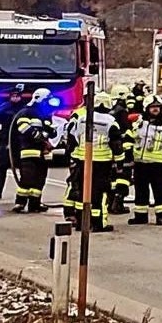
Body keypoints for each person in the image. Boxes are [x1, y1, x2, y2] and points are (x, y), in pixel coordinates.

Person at [66, 92, 122, 232]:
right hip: (102, 162)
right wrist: (120, 163)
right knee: (100, 194)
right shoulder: (110, 121)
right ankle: (98, 224)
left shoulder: (82, 118)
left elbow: (72, 137)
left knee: (82, 192)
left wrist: (72, 155)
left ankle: (81, 222)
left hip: (82, 159)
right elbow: (116, 144)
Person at [124, 95, 162, 225]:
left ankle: (161, 216)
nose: (156, 109)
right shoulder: (139, 122)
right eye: (153, 107)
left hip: (159, 163)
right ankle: (141, 216)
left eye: (158, 107)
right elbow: (129, 136)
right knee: (141, 191)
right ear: (147, 108)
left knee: (160, 191)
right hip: (141, 163)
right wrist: (128, 152)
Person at [12, 88, 56, 213]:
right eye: (46, 101)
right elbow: (23, 128)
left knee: (40, 180)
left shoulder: (45, 114)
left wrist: (51, 133)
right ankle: (20, 203)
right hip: (28, 152)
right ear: (39, 99)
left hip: (43, 154)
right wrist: (39, 135)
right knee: (27, 178)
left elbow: (50, 130)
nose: (48, 103)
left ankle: (34, 204)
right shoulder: (26, 112)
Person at [0, 86, 25, 200]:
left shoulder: (23, 110)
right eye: (13, 95)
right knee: (2, 166)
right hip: (6, 141)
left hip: (19, 143)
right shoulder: (5, 108)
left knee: (23, 168)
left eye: (17, 96)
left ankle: (23, 191)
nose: (15, 98)